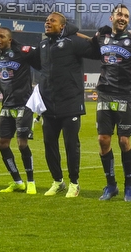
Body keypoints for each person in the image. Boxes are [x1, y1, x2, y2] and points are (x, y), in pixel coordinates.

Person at [92, 4, 131, 202]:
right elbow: (86, 43)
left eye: (126, 16)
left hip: (125, 96)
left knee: (124, 141)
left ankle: (129, 186)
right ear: (111, 18)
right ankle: (111, 186)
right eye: (119, 14)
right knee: (103, 140)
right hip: (104, 94)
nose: (123, 18)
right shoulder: (102, 37)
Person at [30, 12, 93, 198]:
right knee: (49, 143)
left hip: (70, 102)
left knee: (70, 144)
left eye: (52, 21)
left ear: (63, 25)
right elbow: (34, 63)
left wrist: (74, 32)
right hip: (49, 103)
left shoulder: (73, 42)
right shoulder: (42, 45)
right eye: (46, 21)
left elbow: (95, 49)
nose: (48, 23)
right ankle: (58, 181)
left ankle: (74, 183)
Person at [0, 27, 38, 194]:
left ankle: (31, 181)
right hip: (6, 105)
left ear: (10, 40)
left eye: (2, 36)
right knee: (2, 144)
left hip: (23, 104)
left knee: (21, 143)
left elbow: (39, 55)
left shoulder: (22, 52)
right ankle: (18, 181)